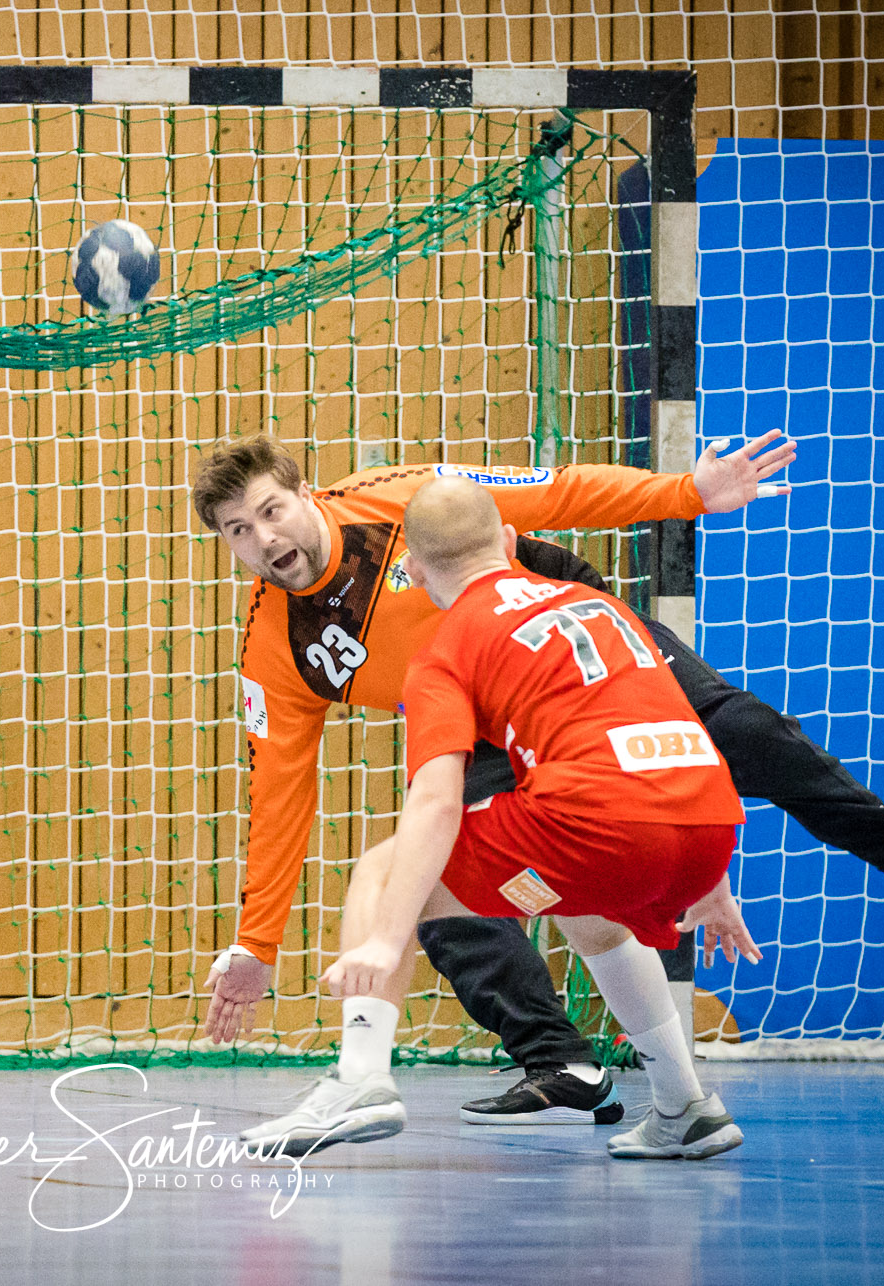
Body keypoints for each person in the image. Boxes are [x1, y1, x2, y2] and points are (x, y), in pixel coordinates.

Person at [193, 433, 884, 1140]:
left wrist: (685, 493)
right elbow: (281, 797)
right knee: (458, 890)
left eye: (270, 510)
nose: (263, 537)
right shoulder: (277, 646)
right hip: (469, 712)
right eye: (238, 531)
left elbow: (559, 490)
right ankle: (568, 1062)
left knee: (745, 735)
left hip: (549, 641)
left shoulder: (402, 499)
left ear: (306, 492)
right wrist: (255, 947)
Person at [312, 475, 760, 1159]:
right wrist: (712, 879)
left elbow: (435, 801)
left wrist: (384, 939)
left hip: (600, 828)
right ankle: (683, 1104)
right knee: (582, 903)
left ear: (416, 572)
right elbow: (672, 719)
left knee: (384, 866)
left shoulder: (446, 646)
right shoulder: (595, 603)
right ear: (511, 541)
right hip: (706, 823)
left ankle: (361, 1076)